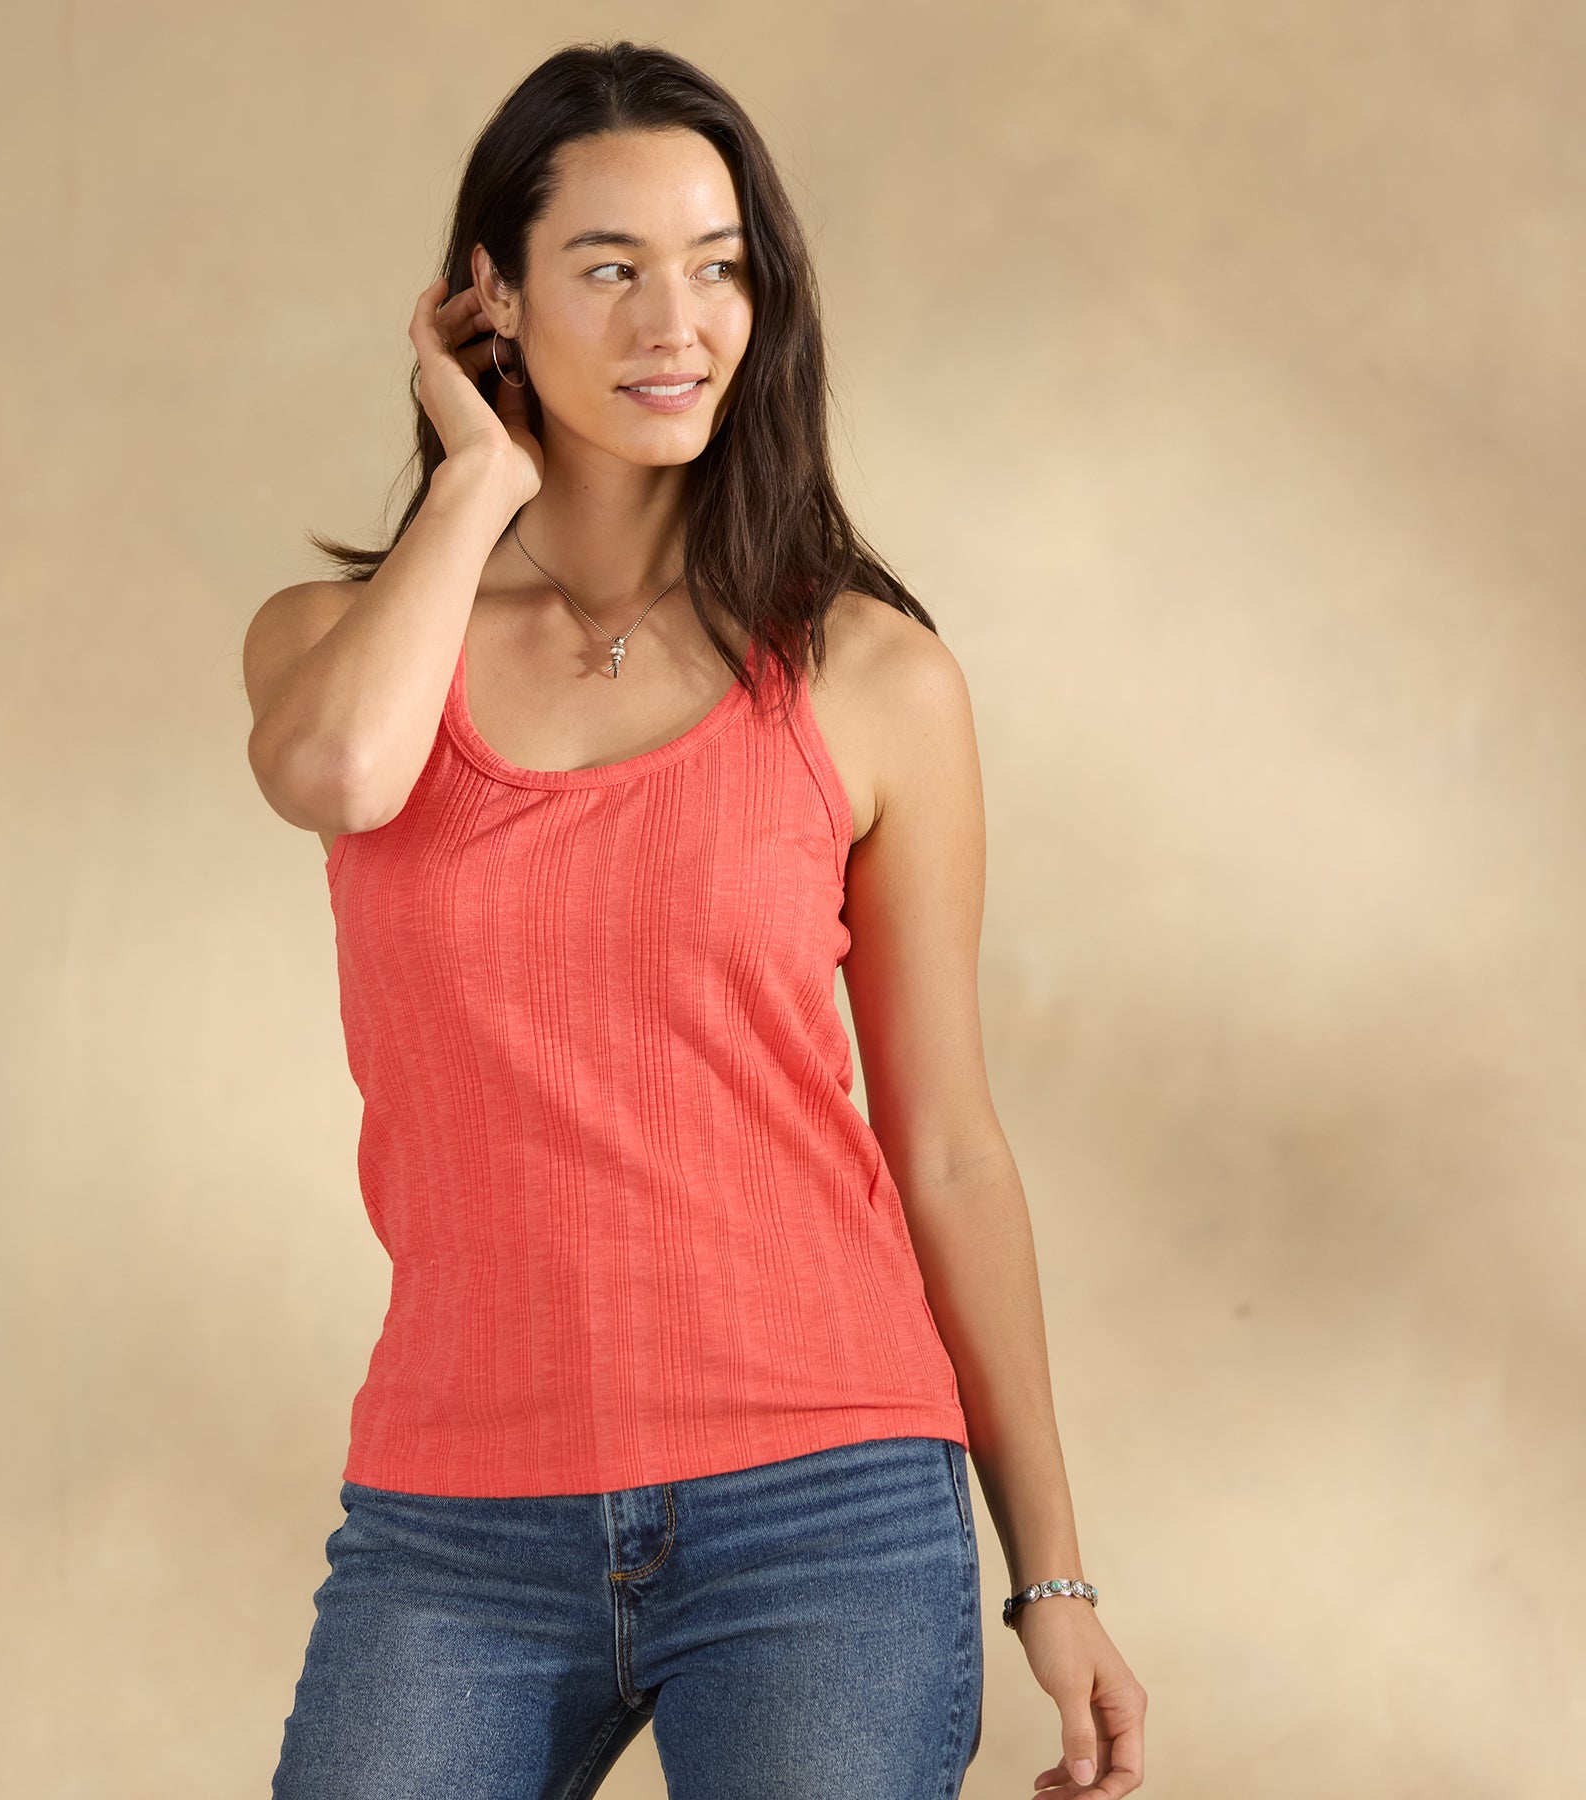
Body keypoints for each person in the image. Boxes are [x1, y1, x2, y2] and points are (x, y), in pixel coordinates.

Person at [242, 38, 1146, 1800]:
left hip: (825, 1506)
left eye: (719, 267)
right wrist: (478, 480)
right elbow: (342, 773)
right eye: (610, 268)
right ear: (490, 300)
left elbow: (948, 1147)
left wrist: (1053, 1579)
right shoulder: (337, 646)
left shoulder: (869, 676)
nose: (679, 324)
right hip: (456, 1522)